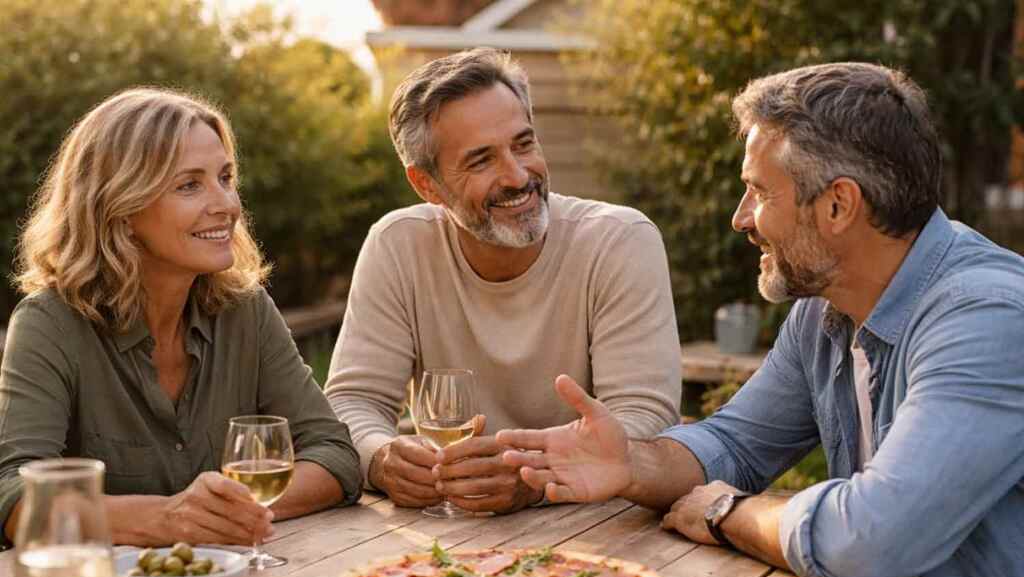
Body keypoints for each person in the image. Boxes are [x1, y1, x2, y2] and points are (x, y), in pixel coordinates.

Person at [497, 62, 1024, 577]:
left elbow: (876, 538)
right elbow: (737, 442)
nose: (741, 218)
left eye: (760, 191)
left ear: (838, 205)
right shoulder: (826, 311)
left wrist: (728, 515)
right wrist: (631, 463)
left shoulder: (986, 318)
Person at [0, 88, 362, 549]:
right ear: (121, 208)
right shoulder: (51, 324)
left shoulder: (246, 311)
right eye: (189, 185)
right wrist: (168, 517)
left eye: (225, 178)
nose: (227, 205)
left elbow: (334, 454)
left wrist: (230, 513)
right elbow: (14, 495)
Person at [324, 48, 681, 514]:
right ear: (426, 186)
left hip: (594, 527)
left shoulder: (619, 241)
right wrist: (381, 458)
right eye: (481, 161)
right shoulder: (398, 245)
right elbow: (352, 402)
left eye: (524, 144)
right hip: (441, 535)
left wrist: (537, 476)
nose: (517, 176)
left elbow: (644, 421)